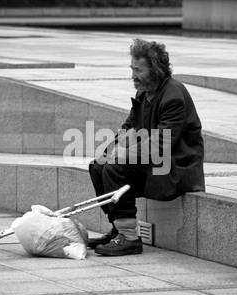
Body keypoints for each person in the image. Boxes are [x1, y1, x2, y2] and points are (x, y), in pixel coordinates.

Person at [88, 38, 205, 256]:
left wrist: (122, 155)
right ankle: (118, 228)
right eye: (132, 69)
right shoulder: (145, 92)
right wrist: (111, 150)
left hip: (175, 167)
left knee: (116, 168)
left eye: (138, 70)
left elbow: (161, 144)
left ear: (155, 69)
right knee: (99, 165)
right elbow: (129, 126)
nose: (133, 75)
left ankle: (130, 238)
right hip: (155, 162)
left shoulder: (173, 96)